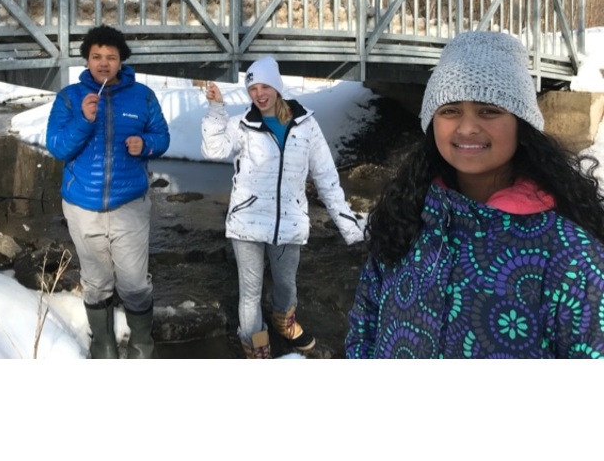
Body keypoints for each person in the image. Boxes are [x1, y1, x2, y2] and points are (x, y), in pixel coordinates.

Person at [346, 30, 604, 359]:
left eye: (488, 110)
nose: (467, 128)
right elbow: (364, 325)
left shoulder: (570, 255)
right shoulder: (405, 216)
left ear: (521, 123)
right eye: (450, 110)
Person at [201, 56, 366, 358]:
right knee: (250, 293)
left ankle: (283, 320)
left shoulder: (306, 125)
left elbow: (326, 176)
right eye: (253, 89)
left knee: (286, 286)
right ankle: (254, 341)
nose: (259, 94)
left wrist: (349, 227)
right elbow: (214, 150)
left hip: (289, 222)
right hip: (247, 222)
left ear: (277, 87)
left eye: (265, 86)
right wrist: (216, 110)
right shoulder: (242, 124)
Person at [45, 25, 170, 358]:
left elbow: (162, 137)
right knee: (96, 283)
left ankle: (142, 344)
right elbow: (57, 147)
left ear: (121, 61)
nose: (103, 63)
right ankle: (103, 345)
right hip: (82, 207)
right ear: (87, 60)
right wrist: (83, 120)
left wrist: (146, 144)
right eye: (96, 56)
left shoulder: (143, 96)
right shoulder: (69, 98)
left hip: (129, 205)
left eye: (111, 57)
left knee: (134, 283)